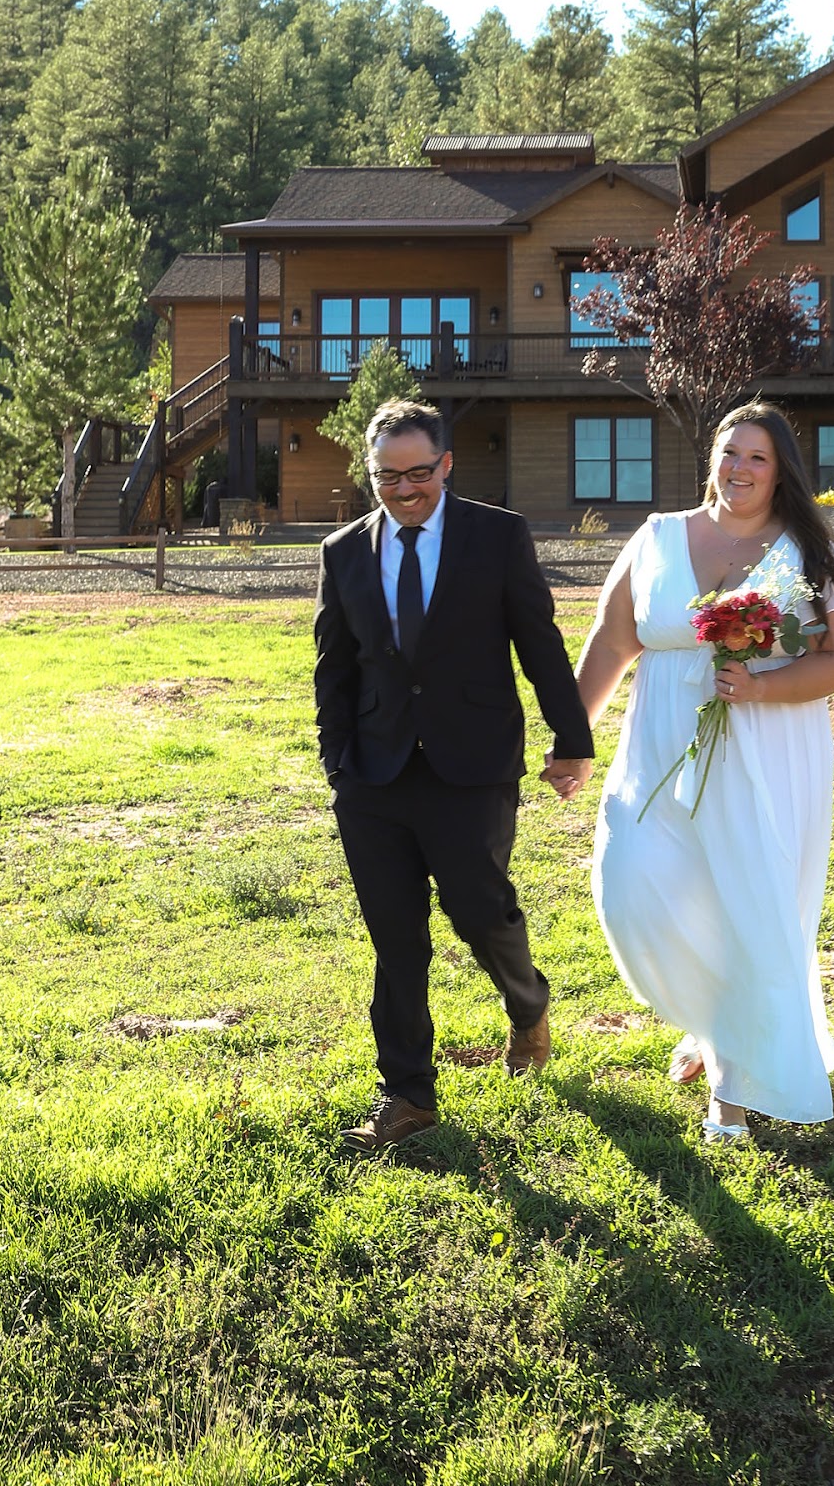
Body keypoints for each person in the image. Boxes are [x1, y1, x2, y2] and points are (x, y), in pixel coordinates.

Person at [567, 402, 834, 1143]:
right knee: (632, 882)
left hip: (766, 748)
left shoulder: (807, 552)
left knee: (743, 905)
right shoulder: (659, 537)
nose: (740, 468)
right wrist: (573, 738)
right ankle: (709, 1019)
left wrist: (763, 686)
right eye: (730, 452)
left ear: (781, 471)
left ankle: (729, 1087)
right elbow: (612, 641)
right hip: (660, 747)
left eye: (757, 457)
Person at [312, 397, 595, 1150]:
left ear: (445, 464)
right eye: (387, 477)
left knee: (479, 910)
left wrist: (571, 739)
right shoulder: (343, 551)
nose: (404, 490)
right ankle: (407, 1095)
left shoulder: (496, 536)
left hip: (472, 765)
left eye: (418, 474)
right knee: (395, 937)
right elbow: (333, 666)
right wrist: (337, 763)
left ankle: (527, 1004)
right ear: (369, 473)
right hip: (374, 774)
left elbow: (538, 641)